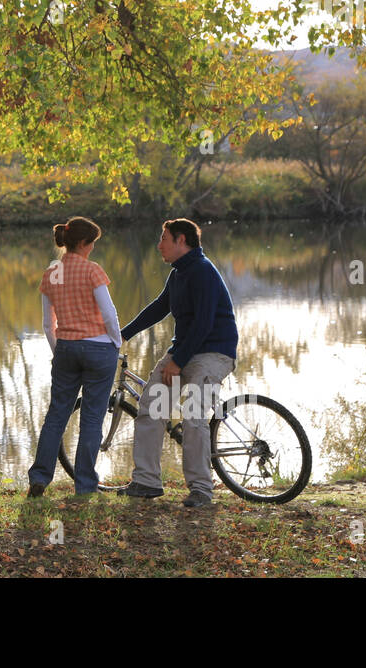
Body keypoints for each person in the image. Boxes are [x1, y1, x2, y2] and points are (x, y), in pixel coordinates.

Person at [119, 218, 237, 508]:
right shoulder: (179, 273)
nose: (159, 245)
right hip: (184, 350)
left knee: (193, 414)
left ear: (181, 240)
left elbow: (204, 323)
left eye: (164, 239)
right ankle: (146, 481)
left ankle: (201, 489)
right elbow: (160, 307)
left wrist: (178, 361)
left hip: (213, 353)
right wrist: (122, 335)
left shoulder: (203, 272)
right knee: (151, 407)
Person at [27, 216, 123, 497]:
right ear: (83, 243)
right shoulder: (92, 271)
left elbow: (48, 323)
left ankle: (40, 478)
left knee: (56, 415)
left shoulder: (51, 272)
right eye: (92, 243)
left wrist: (60, 351)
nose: (93, 248)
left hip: (66, 348)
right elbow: (108, 313)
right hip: (98, 349)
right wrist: (115, 343)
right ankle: (84, 486)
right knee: (92, 419)